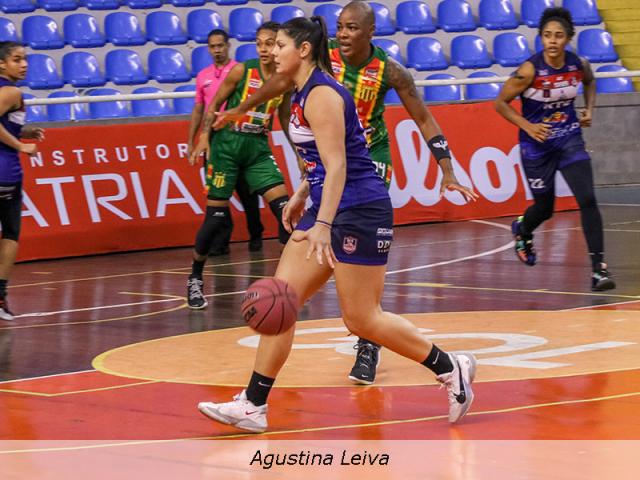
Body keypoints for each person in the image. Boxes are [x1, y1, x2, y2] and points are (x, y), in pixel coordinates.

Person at [197, 17, 477, 433]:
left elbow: (339, 164)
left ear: (304, 50)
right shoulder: (299, 93)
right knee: (282, 301)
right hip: (328, 206)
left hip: (359, 210)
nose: (272, 52)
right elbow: (322, 164)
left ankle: (449, 366)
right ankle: (253, 404)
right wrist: (302, 194)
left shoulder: (323, 95)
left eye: (280, 45)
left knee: (362, 320)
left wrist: (323, 222)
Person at [494, 7, 615, 292]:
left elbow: (590, 81)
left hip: (569, 140)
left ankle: (598, 269)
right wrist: (527, 126)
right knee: (545, 208)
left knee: (587, 199)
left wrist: (588, 109)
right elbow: (499, 103)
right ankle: (523, 230)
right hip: (536, 149)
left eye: (559, 36)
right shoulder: (528, 70)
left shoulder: (577, 64)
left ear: (568, 39)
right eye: (547, 35)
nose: (552, 41)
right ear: (541, 38)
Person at [187, 22, 291, 310]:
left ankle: (290, 283)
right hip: (227, 146)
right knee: (216, 218)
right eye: (259, 43)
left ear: (280, 44)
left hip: (257, 147)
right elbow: (214, 105)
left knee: (286, 213)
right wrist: (204, 137)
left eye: (269, 43)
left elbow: (284, 119)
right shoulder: (243, 70)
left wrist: (299, 155)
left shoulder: (285, 79)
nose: (263, 48)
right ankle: (195, 277)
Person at [187, 29, 264, 255]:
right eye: (213, 46)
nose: (217, 50)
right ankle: (220, 243)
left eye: (221, 45)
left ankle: (256, 233)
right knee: (217, 191)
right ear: (208, 48)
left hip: (239, 135)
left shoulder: (241, 71)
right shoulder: (203, 76)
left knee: (246, 191)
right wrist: (192, 140)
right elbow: (199, 108)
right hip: (212, 138)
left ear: (228, 46)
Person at [0, 42, 44, 321]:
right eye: (17, 59)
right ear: (2, 64)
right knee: (12, 232)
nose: (24, 64)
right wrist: (20, 145)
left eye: (25, 59)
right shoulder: (11, 90)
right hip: (5, 172)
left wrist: (24, 130)